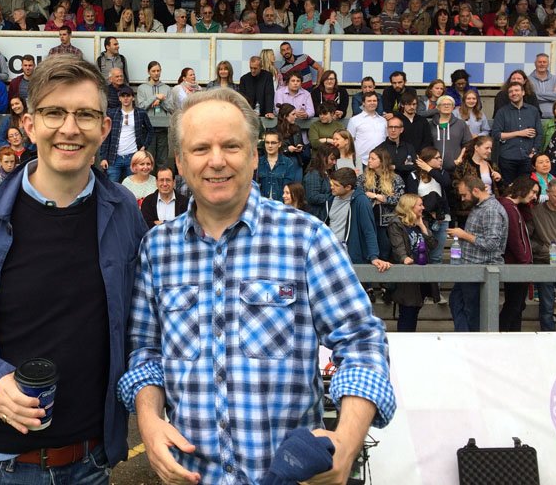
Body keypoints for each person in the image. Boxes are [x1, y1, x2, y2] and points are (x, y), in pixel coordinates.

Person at [118, 88, 394, 484]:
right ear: (179, 161)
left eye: (231, 146)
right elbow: (145, 351)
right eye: (200, 149)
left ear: (253, 155)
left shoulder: (306, 238)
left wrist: (347, 444)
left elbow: (363, 344)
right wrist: (148, 419)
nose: (216, 161)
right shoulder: (157, 249)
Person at [0, 55, 147, 485]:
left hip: (91, 462)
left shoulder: (125, 213)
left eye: (85, 115)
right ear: (30, 124)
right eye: (54, 112)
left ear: (105, 129)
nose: (70, 128)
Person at [446, 175, 508, 332]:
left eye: (464, 194)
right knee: (456, 302)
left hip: (481, 269)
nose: (462, 199)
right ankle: (464, 338)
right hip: (469, 267)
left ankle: (471, 342)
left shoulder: (491, 210)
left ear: (475, 190)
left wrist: (464, 235)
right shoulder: (479, 206)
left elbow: (491, 244)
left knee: (472, 312)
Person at [386, 194, 438, 332]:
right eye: (420, 205)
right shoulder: (396, 223)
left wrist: (421, 225)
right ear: (409, 207)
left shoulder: (422, 222)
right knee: (408, 310)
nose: (423, 207)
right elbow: (398, 247)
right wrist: (404, 258)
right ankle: (404, 343)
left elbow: (432, 245)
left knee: (415, 309)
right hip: (407, 274)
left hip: (422, 272)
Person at [497, 176, 536, 332]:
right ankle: (502, 334)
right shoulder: (508, 207)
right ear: (523, 189)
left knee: (518, 305)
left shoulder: (515, 207)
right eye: (533, 192)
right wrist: (525, 260)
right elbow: (514, 238)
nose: (534, 196)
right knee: (513, 305)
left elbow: (527, 218)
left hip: (519, 264)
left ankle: (514, 336)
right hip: (517, 265)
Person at [529, 177, 556, 332]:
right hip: (545, 262)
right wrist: (544, 249)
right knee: (547, 304)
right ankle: (548, 337)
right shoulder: (535, 212)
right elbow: (528, 240)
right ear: (548, 192)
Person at [491, 81, 543, 185]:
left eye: (516, 90)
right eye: (510, 91)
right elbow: (496, 134)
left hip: (527, 158)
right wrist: (520, 133)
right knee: (508, 190)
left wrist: (533, 152)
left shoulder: (533, 111)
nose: (514, 93)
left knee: (526, 190)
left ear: (523, 92)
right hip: (507, 158)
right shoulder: (502, 112)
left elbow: (539, 134)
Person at [99, 85, 153, 183]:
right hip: (114, 157)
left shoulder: (140, 113)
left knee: (132, 186)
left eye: (128, 95)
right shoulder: (112, 113)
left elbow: (150, 130)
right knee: (111, 187)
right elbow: (105, 136)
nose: (126, 98)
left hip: (133, 156)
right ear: (119, 98)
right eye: (123, 96)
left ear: (133, 97)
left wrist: (144, 146)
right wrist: (103, 158)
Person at [136, 61, 172, 170]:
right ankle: (150, 185)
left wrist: (161, 101)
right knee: (148, 159)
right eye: (153, 71)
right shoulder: (142, 88)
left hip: (162, 127)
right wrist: (155, 97)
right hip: (147, 129)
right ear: (148, 72)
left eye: (158, 71)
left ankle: (162, 184)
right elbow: (141, 107)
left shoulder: (166, 88)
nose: (156, 73)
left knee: (162, 160)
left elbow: (171, 108)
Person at [429, 94, 472, 172]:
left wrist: (460, 159)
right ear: (438, 107)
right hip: (434, 168)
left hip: (455, 167)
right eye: (443, 104)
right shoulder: (430, 124)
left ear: (453, 107)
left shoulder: (461, 124)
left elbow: (467, 144)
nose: (446, 106)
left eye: (449, 104)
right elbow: (427, 145)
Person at [256, 128, 298, 201]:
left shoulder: (288, 164)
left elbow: (288, 189)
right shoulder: (257, 162)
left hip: (280, 205)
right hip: (261, 205)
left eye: (273, 143)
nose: (270, 146)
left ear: (279, 144)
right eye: (267, 142)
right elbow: (254, 187)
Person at [347, 91, 387, 166]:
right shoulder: (354, 120)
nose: (372, 103)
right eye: (369, 101)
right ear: (363, 103)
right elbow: (349, 141)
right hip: (361, 161)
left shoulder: (383, 121)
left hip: (380, 161)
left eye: (374, 101)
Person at [304, 143, 338, 222]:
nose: (334, 162)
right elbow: (313, 197)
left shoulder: (327, 171)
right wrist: (334, 197)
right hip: (315, 217)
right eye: (332, 159)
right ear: (323, 157)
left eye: (336, 159)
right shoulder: (313, 174)